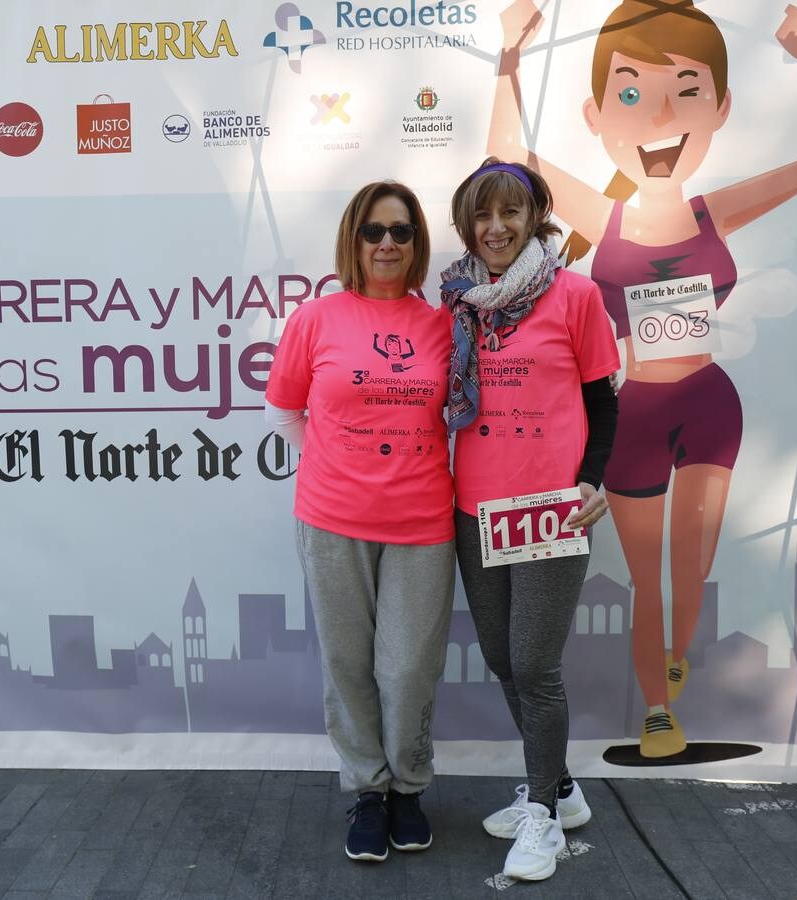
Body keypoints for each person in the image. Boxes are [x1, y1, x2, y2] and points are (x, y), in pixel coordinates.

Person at [489, 0, 797, 758]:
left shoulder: (715, 212)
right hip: (636, 413)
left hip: (710, 405)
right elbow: (507, 158)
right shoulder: (600, 215)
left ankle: (675, 652)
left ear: (719, 107)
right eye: (633, 93)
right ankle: (658, 708)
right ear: (597, 113)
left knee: (692, 566)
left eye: (686, 89)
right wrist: (510, 58)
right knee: (648, 578)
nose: (659, 117)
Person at [264, 181, 455, 863]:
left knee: (406, 669)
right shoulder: (314, 320)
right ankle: (368, 794)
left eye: (401, 232)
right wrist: (331, 464)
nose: (386, 244)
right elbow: (285, 410)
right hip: (332, 519)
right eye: (374, 231)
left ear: (417, 243)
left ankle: (409, 788)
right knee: (347, 664)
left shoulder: (444, 324)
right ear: (353, 239)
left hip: (424, 520)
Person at [444, 158, 620, 881]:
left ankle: (543, 816)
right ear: (467, 225)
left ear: (535, 218)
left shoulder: (576, 297)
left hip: (548, 509)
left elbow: (604, 402)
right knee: (499, 656)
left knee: (535, 666)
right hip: (473, 507)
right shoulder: (458, 303)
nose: (496, 228)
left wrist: (590, 482)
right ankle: (563, 792)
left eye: (510, 213)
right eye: (483, 215)